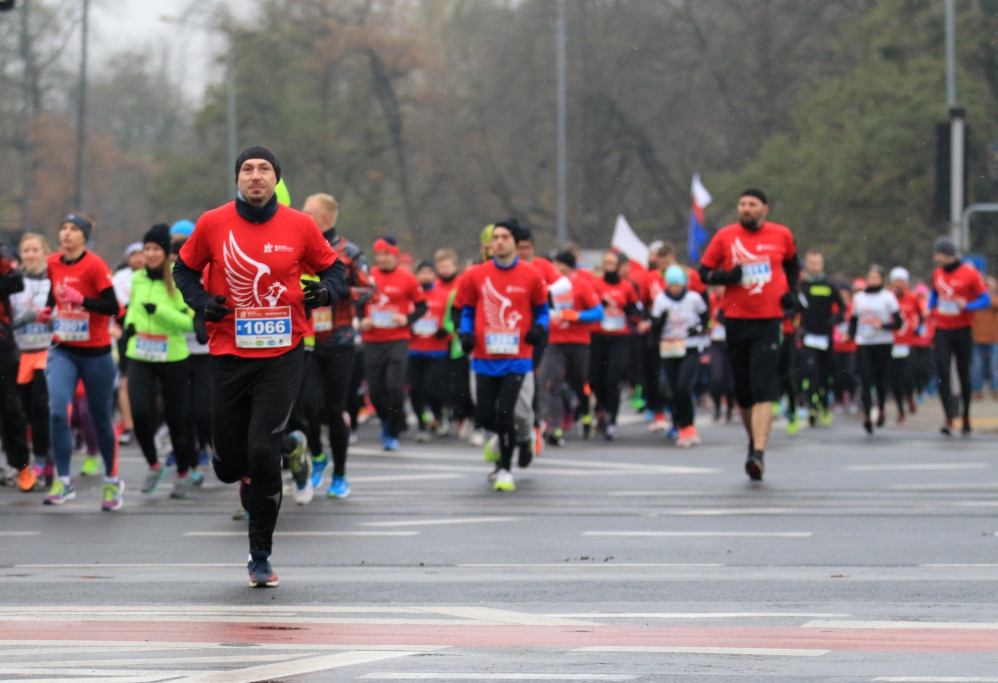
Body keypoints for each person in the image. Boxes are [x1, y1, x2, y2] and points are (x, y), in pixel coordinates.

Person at [173, 145, 345, 588]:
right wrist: (202, 304)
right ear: (237, 179)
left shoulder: (300, 225)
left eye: (264, 169)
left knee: (264, 452)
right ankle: (251, 462)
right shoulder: (213, 223)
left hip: (284, 352)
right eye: (247, 169)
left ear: (275, 179)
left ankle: (260, 555)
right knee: (231, 464)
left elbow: (336, 271)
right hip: (230, 353)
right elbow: (184, 270)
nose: (255, 176)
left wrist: (324, 293)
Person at [699, 189, 798, 481]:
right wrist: (726, 278)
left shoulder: (781, 234)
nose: (746, 209)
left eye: (752, 205)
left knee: (763, 386)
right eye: (742, 204)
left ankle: (758, 452)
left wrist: (792, 294)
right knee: (742, 391)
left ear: (764, 209)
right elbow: (703, 272)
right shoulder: (725, 236)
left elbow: (793, 265)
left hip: (768, 320)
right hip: (736, 319)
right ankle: (753, 441)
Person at [458, 221, 548, 491]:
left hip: (517, 356)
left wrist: (539, 328)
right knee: (486, 417)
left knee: (506, 412)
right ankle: (514, 440)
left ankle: (505, 471)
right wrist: (465, 333)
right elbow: (466, 311)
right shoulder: (476, 275)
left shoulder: (531, 275)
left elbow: (542, 310)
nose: (498, 242)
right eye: (495, 237)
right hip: (484, 357)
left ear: (515, 243)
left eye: (504, 237)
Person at [41, 214, 122, 508]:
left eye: (73, 229)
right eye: (63, 228)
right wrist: (48, 310)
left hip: (96, 354)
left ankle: (112, 482)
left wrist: (83, 300)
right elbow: (55, 292)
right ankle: (63, 481)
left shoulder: (96, 265)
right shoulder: (53, 263)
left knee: (100, 419)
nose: (66, 233)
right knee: (57, 413)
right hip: (62, 350)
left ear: (84, 237)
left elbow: (114, 308)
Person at [302, 193, 376, 499]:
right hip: (305, 339)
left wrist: (339, 291)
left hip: (339, 340)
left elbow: (370, 289)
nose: (301, 215)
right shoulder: (299, 246)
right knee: (307, 406)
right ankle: (318, 456)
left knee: (334, 410)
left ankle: (340, 475)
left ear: (323, 218)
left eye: (307, 212)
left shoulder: (349, 252)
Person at [124, 225, 200, 499]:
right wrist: (130, 325)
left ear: (167, 253)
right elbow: (133, 309)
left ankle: (183, 470)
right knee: (140, 412)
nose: (151, 254)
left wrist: (161, 312)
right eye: (147, 249)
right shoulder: (137, 279)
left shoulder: (178, 280)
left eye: (156, 249)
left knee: (176, 417)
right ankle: (154, 465)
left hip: (172, 356)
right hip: (140, 353)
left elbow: (189, 323)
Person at [361, 235, 426, 451]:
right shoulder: (368, 276)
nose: (382, 258)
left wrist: (407, 319)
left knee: (394, 388)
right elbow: (357, 301)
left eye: (386, 254)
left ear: (395, 255)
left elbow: (422, 307)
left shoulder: (407, 278)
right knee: (377, 391)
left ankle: (393, 430)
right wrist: (362, 319)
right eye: (378, 254)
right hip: (372, 340)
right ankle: (388, 419)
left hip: (398, 339)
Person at [639, 243, 706, 432]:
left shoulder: (689, 276)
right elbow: (645, 306)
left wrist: (700, 327)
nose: (663, 265)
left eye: (666, 261)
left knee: (683, 385)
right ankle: (668, 414)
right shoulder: (651, 281)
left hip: (687, 341)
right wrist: (651, 324)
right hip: (665, 339)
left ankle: (684, 422)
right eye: (659, 261)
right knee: (666, 383)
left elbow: (703, 306)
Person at [539, 250, 603, 446]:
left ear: (566, 265)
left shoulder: (582, 285)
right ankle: (555, 427)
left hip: (578, 342)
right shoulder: (548, 286)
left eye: (557, 264)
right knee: (553, 382)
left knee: (579, 382)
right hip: (554, 342)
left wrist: (576, 316)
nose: (554, 269)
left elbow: (599, 313)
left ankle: (585, 412)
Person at [929, 236, 990, 435]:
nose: (934, 256)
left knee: (964, 375)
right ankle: (948, 418)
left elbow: (986, 299)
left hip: (963, 330)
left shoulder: (970, 274)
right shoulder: (937, 273)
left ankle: (965, 416)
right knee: (943, 373)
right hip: (942, 330)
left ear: (947, 254)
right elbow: (935, 294)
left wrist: (968, 305)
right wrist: (929, 308)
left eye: (937, 252)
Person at [651, 265, 709, 447]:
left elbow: (707, 318)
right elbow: (655, 326)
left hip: (690, 347)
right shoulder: (660, 300)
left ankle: (689, 426)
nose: (675, 288)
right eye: (672, 285)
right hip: (670, 348)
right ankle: (682, 426)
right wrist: (659, 322)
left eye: (678, 285)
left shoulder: (694, 298)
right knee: (674, 390)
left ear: (684, 284)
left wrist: (698, 328)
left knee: (684, 387)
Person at [171, 219, 212, 466]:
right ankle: (187, 455)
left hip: (206, 353)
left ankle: (207, 443)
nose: (180, 254)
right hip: (178, 352)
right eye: (175, 249)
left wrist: (202, 320)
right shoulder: (168, 277)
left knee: (203, 412)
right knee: (181, 412)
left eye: (184, 246)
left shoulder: (208, 270)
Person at [590, 250, 640, 440]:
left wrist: (627, 309)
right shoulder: (595, 285)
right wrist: (599, 305)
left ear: (618, 266)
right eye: (606, 263)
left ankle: (612, 418)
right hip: (599, 335)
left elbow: (635, 309)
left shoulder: (627, 286)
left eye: (612, 263)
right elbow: (587, 305)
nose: (609, 267)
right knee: (597, 378)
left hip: (620, 336)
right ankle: (601, 409)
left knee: (613, 378)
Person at [848, 266, 902, 433]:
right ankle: (867, 416)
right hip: (864, 343)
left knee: (881, 381)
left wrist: (883, 325)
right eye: (869, 277)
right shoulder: (859, 298)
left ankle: (881, 408)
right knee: (865, 379)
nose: (872, 280)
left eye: (875, 277)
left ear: (882, 280)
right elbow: (854, 321)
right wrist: (849, 335)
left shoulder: (888, 297)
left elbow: (898, 323)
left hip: (883, 343)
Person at [797, 251, 845, 427]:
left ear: (822, 265)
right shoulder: (801, 286)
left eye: (818, 263)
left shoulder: (829, 286)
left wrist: (833, 321)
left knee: (825, 374)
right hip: (808, 337)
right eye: (811, 263)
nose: (814, 267)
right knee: (811, 372)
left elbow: (842, 308)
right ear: (807, 265)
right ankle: (811, 407)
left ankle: (824, 406)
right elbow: (794, 306)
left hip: (826, 338)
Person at [409, 261, 451, 442]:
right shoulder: (411, 296)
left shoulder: (444, 295)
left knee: (431, 389)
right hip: (414, 350)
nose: (425, 276)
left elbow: (451, 319)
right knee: (415, 390)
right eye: (422, 272)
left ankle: (438, 415)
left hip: (437, 351)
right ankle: (421, 424)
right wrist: (407, 327)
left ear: (435, 275)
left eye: (429, 272)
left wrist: (446, 332)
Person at [111, 242, 145, 447]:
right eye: (134, 255)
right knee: (125, 381)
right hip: (126, 334)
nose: (139, 259)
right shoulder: (119, 279)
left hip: (152, 335)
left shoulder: (158, 277)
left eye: (142, 254)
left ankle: (149, 424)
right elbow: (113, 307)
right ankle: (130, 425)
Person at [890, 267, 922, 422]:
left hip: (907, 343)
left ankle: (910, 397)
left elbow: (921, 315)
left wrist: (917, 329)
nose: (899, 284)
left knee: (907, 376)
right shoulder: (888, 298)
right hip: (892, 343)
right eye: (896, 281)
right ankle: (900, 410)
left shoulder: (912, 298)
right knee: (895, 379)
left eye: (902, 281)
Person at [706, 286, 736, 423]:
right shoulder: (710, 300)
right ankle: (717, 406)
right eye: (716, 287)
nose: (719, 290)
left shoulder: (733, 300)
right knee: (716, 376)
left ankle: (729, 408)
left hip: (730, 342)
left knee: (730, 381)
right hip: (715, 342)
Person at [971, 275, 998, 400]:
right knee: (977, 366)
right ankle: (977, 390)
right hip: (976, 337)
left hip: (994, 337)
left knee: (994, 365)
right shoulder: (976, 299)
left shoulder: (993, 298)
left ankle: (995, 389)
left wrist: (991, 291)